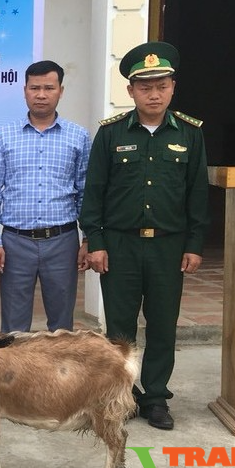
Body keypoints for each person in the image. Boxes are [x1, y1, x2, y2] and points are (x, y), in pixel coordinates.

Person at [80, 42, 209, 431]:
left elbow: (196, 194)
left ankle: (155, 397)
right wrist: (96, 242)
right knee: (118, 327)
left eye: (162, 85)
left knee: (163, 323)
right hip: (119, 244)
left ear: (172, 88)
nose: (154, 94)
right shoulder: (111, 134)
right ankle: (120, 396)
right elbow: (94, 192)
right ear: (131, 90)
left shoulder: (189, 134)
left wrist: (195, 244)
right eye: (145, 86)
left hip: (169, 247)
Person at [0, 60, 91, 333]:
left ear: (60, 91)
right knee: (14, 325)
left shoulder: (78, 136)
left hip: (62, 242)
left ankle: (59, 375)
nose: (41, 94)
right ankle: (16, 375)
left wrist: (88, 238)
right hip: (16, 242)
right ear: (25, 91)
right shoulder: (4, 136)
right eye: (35, 88)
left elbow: (85, 192)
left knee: (62, 324)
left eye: (49, 88)